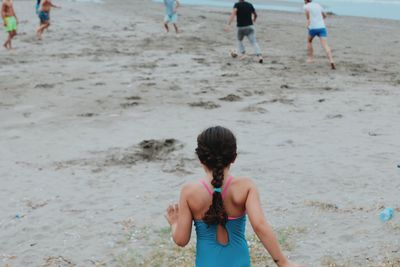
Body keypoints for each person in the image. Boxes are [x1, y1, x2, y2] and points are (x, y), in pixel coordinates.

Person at [165, 126, 304, 267]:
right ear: (234, 157)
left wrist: (175, 223)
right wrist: (283, 262)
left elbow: (181, 240)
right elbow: (260, 226)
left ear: (201, 159)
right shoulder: (246, 187)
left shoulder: (189, 192)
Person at [303, 0, 335, 69]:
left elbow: (308, 18)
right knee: (325, 45)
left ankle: (310, 58)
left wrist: (308, 26)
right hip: (322, 27)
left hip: (313, 28)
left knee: (309, 41)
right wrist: (319, 20)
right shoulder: (318, 5)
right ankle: (331, 61)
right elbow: (325, 16)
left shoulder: (306, 6)